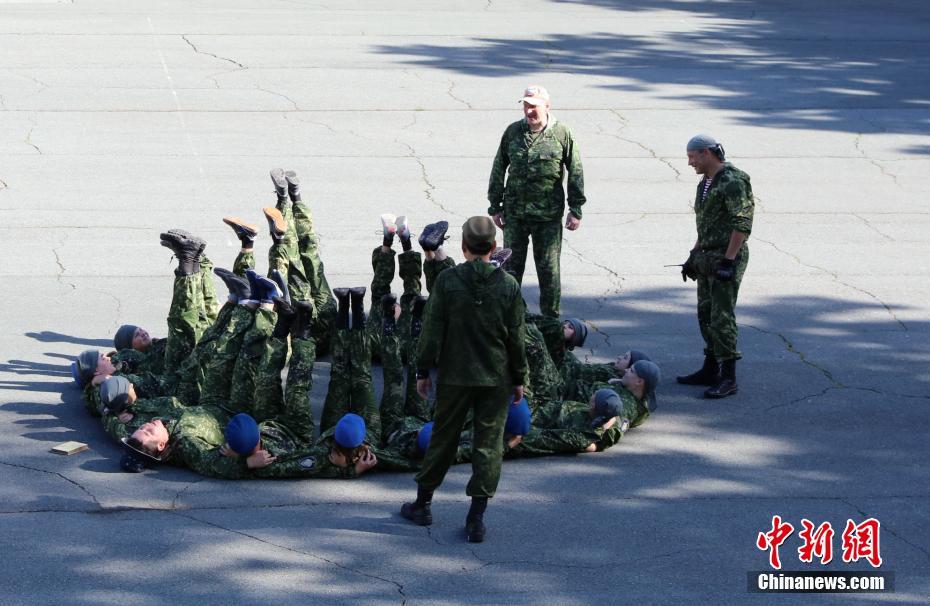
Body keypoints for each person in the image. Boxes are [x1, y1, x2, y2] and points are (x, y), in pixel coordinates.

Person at [400, 216, 528, 544]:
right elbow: (516, 337)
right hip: (495, 378)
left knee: (443, 438)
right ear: (494, 248)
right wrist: (519, 378)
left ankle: (423, 504)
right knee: (488, 444)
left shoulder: (448, 281)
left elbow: (432, 330)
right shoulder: (508, 286)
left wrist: (422, 370)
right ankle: (476, 518)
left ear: (463, 247)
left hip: (455, 375)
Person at [487, 85, 586, 318]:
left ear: (547, 106)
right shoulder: (513, 132)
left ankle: (550, 323)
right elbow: (498, 167)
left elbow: (576, 170)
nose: (529, 111)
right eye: (526, 105)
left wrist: (576, 209)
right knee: (509, 271)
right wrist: (495, 205)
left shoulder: (562, 134)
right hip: (515, 216)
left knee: (549, 273)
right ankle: (508, 320)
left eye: (534, 106)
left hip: (547, 219)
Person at [677, 135, 754, 399]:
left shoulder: (733, 180)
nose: (689, 163)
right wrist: (693, 254)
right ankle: (710, 369)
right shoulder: (705, 183)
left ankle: (729, 377)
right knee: (706, 313)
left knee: (721, 317)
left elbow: (741, 223)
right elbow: (706, 224)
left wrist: (729, 260)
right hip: (707, 258)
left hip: (724, 258)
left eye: (692, 157)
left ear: (707, 154)